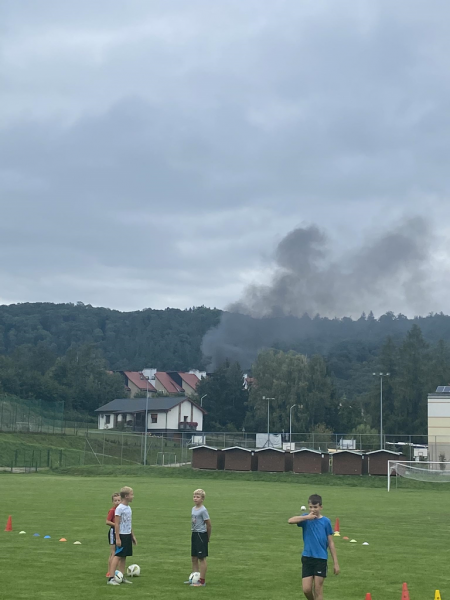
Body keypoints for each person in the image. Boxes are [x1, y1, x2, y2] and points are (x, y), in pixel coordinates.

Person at [288, 494, 339, 600]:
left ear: (321, 507)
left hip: (320, 559)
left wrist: (336, 563)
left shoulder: (326, 521)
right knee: (306, 589)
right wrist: (307, 517)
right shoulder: (305, 519)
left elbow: (331, 542)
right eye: (311, 507)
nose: (313, 509)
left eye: (315, 507)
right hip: (307, 557)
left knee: (318, 589)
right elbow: (290, 520)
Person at [107, 486, 137, 586]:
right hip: (121, 535)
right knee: (117, 556)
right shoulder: (119, 509)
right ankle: (111, 578)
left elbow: (129, 523)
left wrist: (132, 535)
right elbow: (117, 524)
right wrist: (118, 537)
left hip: (127, 535)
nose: (133, 496)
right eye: (132, 494)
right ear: (126, 496)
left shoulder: (128, 507)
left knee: (124, 556)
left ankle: (121, 576)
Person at [189, 488, 211, 587]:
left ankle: (202, 581)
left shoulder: (203, 510)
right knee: (194, 557)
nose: (195, 498)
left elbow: (209, 525)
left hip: (201, 535)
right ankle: (194, 578)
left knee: (201, 558)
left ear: (202, 499)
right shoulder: (193, 509)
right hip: (194, 533)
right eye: (194, 496)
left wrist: (207, 537)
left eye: (198, 497)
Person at [105, 492, 121, 578]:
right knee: (113, 553)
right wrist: (116, 525)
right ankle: (109, 571)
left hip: (120, 532)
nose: (117, 502)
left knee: (119, 553)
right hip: (113, 532)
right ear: (112, 502)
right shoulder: (112, 511)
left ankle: (116, 571)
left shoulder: (122, 509)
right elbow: (107, 521)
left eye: (119, 500)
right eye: (115, 501)